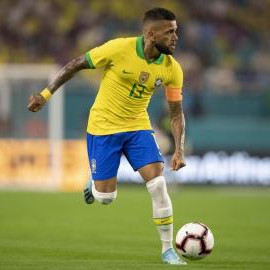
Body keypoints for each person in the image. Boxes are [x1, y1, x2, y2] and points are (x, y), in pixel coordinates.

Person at [28, 7, 186, 265]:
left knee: (158, 183)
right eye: (169, 32)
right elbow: (76, 64)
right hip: (104, 127)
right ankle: (95, 182)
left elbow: (176, 114)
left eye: (176, 31)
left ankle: (168, 251)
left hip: (137, 127)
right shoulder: (118, 48)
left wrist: (179, 149)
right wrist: (45, 95)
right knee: (105, 198)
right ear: (150, 34)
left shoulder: (172, 69)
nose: (175, 37)